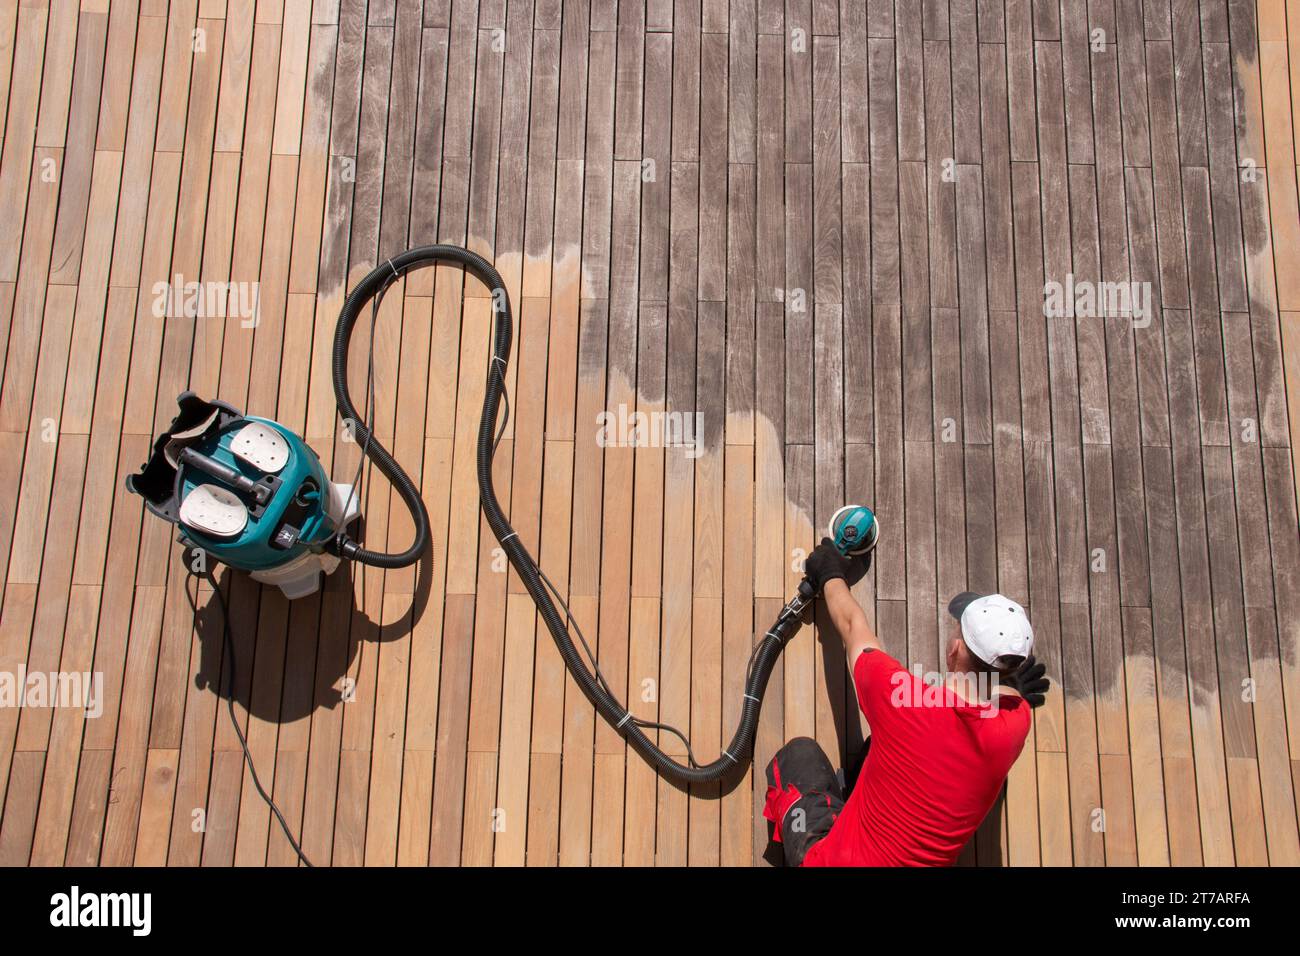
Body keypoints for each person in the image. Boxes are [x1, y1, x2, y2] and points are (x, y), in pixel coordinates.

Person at [762, 537, 1050, 866]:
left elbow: (853, 625)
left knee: (800, 755)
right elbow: (1008, 694)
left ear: (954, 650)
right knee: (877, 747)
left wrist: (829, 571)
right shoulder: (1014, 725)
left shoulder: (903, 703)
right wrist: (1008, 683)